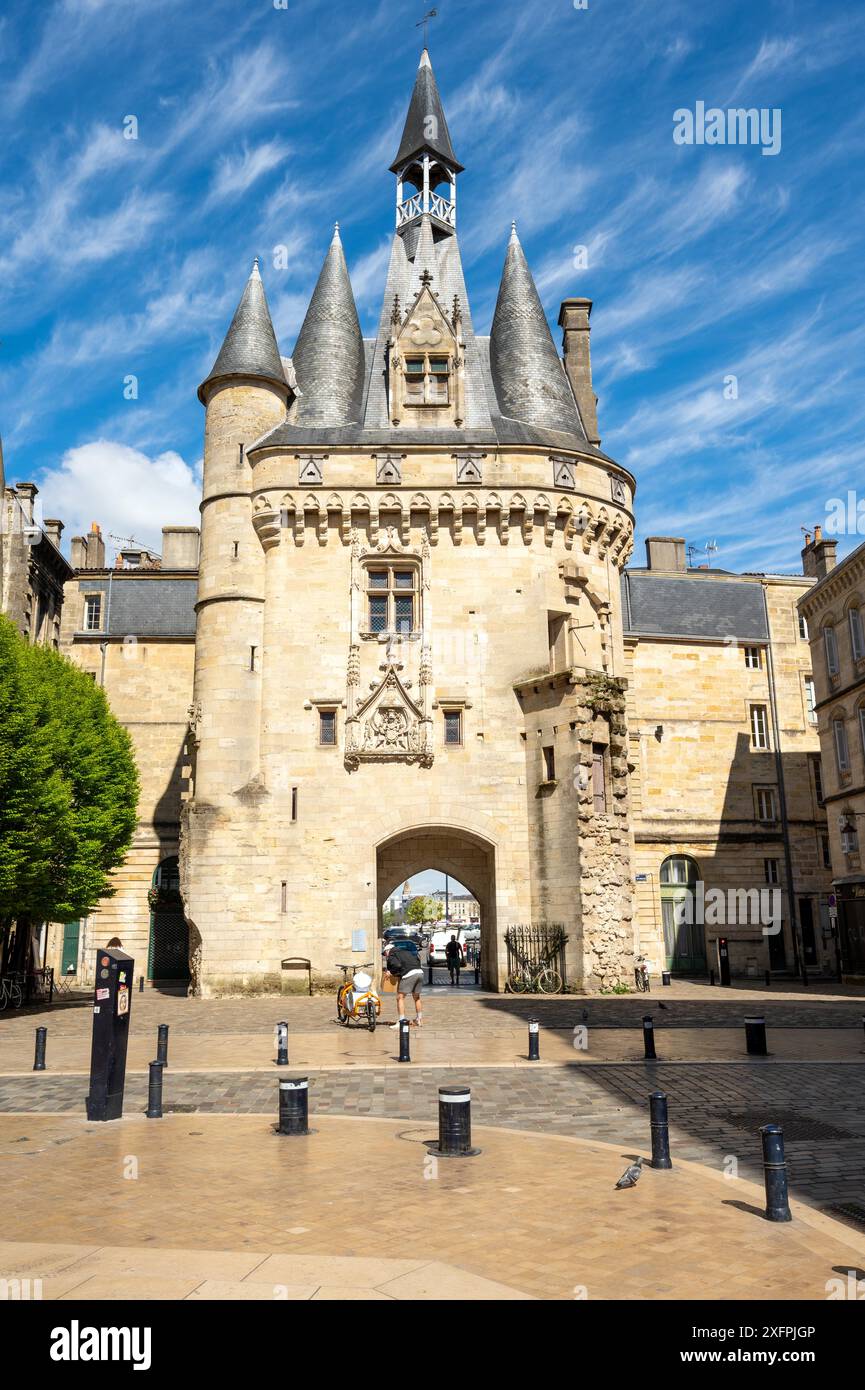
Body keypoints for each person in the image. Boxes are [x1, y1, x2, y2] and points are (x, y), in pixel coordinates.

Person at [385, 941, 424, 1028]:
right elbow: (416, 959)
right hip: (420, 972)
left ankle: (401, 1022)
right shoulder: (405, 951)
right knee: (416, 997)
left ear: (388, 950)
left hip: (409, 974)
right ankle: (419, 1020)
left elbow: (397, 966)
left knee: (400, 998)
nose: (385, 956)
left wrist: (391, 972)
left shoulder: (392, 954)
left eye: (385, 953)